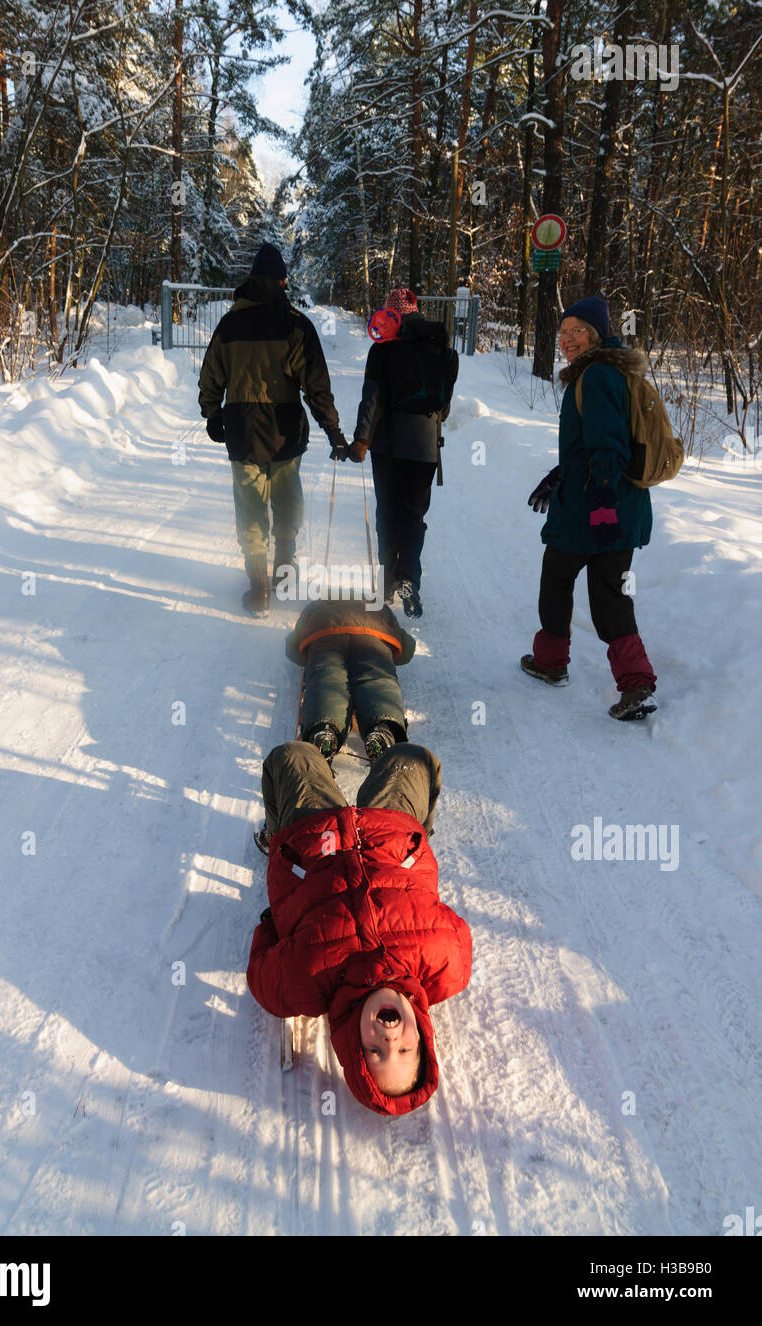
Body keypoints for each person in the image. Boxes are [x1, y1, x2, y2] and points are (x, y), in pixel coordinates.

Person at [247, 740, 472, 1115]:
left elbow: (260, 966)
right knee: (415, 759)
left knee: (290, 756)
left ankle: (274, 832)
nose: (389, 1037)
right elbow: (451, 921)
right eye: (404, 1049)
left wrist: (276, 921)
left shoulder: (298, 981)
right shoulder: (448, 964)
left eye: (376, 1051)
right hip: (392, 835)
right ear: (421, 1034)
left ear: (352, 1042)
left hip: (313, 840)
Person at [522, 296, 657, 720]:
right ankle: (636, 685)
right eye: (562, 332)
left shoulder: (596, 375)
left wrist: (600, 501)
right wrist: (559, 473)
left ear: (596, 334)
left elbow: (608, 446)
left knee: (557, 578)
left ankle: (550, 662)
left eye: (576, 331)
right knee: (610, 595)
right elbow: (594, 442)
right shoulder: (609, 371)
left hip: (593, 509)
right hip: (619, 506)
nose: (567, 340)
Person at [198, 242, 348, 617]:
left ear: (252, 280)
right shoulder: (296, 324)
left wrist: (212, 413)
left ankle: (259, 590)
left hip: (243, 432)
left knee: (250, 508)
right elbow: (316, 385)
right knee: (286, 502)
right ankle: (283, 573)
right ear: (282, 280)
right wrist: (333, 430)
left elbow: (210, 375)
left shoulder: (230, 323)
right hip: (285, 434)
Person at [348, 287, 459, 619]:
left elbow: (372, 399)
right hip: (425, 447)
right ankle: (410, 583)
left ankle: (385, 585)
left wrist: (360, 440)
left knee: (388, 514)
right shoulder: (441, 349)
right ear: (417, 312)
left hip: (388, 445)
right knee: (413, 517)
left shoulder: (382, 350)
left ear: (390, 314)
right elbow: (444, 405)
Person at [285, 598, 415, 760]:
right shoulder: (377, 605)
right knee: (377, 679)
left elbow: (292, 646)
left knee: (327, 679)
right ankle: (383, 728)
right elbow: (407, 648)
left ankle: (324, 730)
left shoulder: (315, 606)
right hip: (373, 638)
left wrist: (305, 656)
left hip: (324, 636)